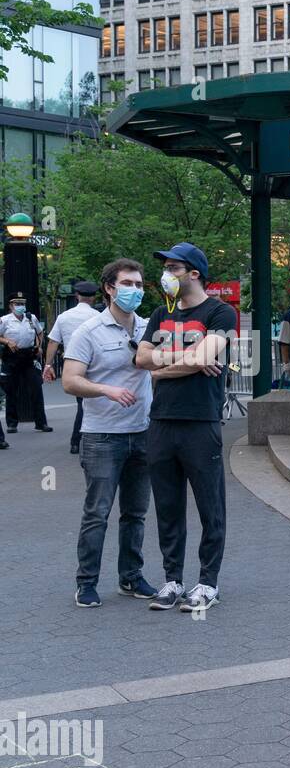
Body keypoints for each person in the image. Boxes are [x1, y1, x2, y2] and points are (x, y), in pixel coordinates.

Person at [132, 242, 237, 612]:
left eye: (174, 268)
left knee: (211, 507)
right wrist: (183, 358)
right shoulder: (162, 312)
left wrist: (162, 368)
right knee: (168, 505)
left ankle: (208, 583)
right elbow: (140, 358)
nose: (167, 275)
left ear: (194, 273)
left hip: (200, 423)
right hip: (160, 423)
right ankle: (172, 579)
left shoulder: (221, 313)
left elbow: (205, 358)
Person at [61, 259, 158, 609]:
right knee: (97, 512)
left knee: (135, 513)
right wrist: (107, 390)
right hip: (102, 436)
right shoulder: (88, 331)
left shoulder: (148, 328)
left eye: (139, 283)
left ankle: (131, 577)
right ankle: (86, 582)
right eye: (128, 283)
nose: (135, 290)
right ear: (109, 288)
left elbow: (160, 368)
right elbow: (70, 380)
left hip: (143, 433)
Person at [45, 280, 101, 454]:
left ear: (77, 296)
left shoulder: (64, 317)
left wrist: (48, 364)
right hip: (96, 364)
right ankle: (81, 439)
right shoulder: (98, 317)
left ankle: (77, 441)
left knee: (81, 402)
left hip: (73, 363)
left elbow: (53, 341)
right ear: (93, 297)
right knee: (88, 403)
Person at [2, 292, 52, 435]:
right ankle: (12, 423)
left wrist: (39, 345)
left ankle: (41, 423)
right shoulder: (5, 320)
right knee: (11, 391)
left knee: (36, 388)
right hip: (12, 357)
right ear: (11, 306)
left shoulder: (31, 318)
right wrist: (7, 341)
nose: (20, 306)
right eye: (17, 304)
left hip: (29, 357)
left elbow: (40, 333)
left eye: (22, 303)